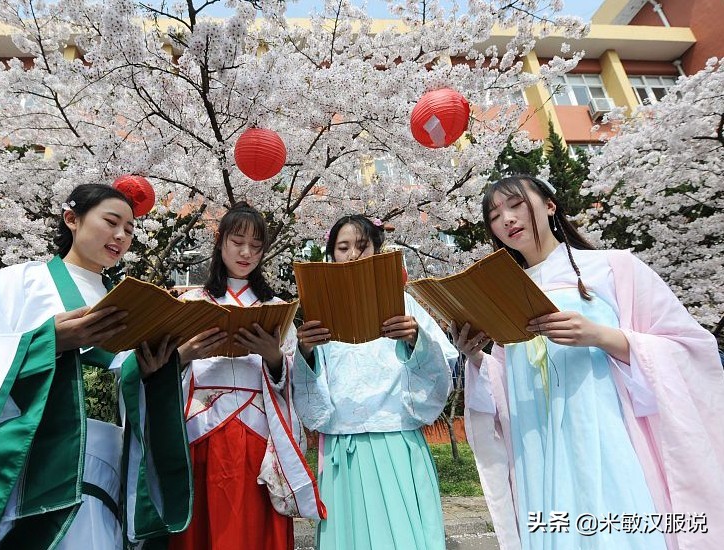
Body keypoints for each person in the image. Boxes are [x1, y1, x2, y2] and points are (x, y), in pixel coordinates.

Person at [0, 183, 193, 550]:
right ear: (72, 219)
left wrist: (149, 371)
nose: (120, 236)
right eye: (111, 222)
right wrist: (48, 343)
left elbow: (117, 381)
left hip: (110, 457)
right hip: (39, 460)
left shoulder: (126, 299)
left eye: (129, 229)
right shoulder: (22, 282)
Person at [454, 174, 724, 550]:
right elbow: (506, 383)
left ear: (550, 205)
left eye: (516, 205)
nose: (507, 220)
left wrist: (600, 336)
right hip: (537, 443)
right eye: (495, 215)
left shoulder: (613, 268)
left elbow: (690, 347)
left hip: (605, 431)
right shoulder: (501, 291)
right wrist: (476, 356)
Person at [293, 214, 458, 550]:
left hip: (395, 437)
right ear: (331, 255)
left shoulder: (403, 302)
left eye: (361, 246)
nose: (353, 255)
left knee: (402, 535)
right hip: (343, 443)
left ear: (377, 251)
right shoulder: (316, 310)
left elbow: (444, 360)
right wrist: (305, 350)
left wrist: (415, 339)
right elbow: (305, 379)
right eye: (343, 247)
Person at [167, 202, 324, 550]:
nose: (246, 252)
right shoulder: (191, 301)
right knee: (202, 527)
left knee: (253, 527)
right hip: (200, 428)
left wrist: (273, 358)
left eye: (256, 246)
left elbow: (293, 378)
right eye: (238, 241)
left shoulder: (276, 307)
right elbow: (164, 368)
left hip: (259, 430)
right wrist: (186, 355)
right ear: (220, 240)